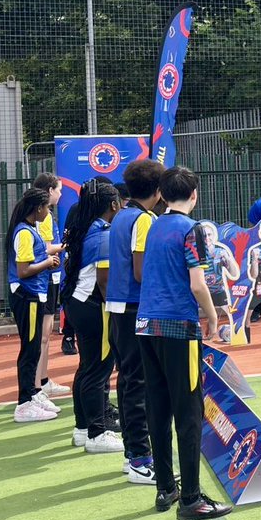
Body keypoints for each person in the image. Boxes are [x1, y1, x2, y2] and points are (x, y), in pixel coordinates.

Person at [137, 166, 232, 520]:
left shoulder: (155, 224)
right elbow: (197, 283)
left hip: (147, 326)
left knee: (157, 407)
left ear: (161, 194)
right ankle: (191, 499)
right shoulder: (192, 230)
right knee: (189, 412)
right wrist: (213, 315)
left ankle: (166, 487)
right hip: (178, 326)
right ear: (194, 195)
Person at [107, 158, 165, 483]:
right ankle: (141, 459)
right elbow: (142, 271)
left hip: (118, 308)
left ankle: (134, 455)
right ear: (158, 191)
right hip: (133, 308)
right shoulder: (143, 220)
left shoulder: (121, 216)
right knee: (138, 384)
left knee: (128, 380)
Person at [62, 178, 124, 453]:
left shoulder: (87, 228)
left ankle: (83, 429)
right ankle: (97, 433)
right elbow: (105, 280)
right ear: (113, 204)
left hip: (78, 304)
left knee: (87, 368)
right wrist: (117, 311)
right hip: (93, 307)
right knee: (98, 370)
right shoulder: (104, 234)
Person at [7, 187, 64, 422]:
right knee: (29, 349)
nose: (48, 211)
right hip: (27, 295)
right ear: (37, 208)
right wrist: (47, 262)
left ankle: (32, 394)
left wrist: (45, 261)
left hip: (35, 294)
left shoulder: (30, 230)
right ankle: (24, 403)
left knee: (33, 348)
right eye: (46, 207)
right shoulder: (24, 233)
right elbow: (23, 270)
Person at [32, 173, 69, 400]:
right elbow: (45, 248)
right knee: (42, 336)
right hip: (45, 278)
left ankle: (43, 381)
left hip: (51, 277)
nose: (60, 194)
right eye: (58, 190)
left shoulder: (46, 216)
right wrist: (65, 245)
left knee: (46, 335)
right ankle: (37, 387)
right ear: (49, 191)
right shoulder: (43, 217)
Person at [197, 222, 240, 344]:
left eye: (209, 234)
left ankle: (236, 332)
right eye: (203, 235)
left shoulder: (220, 252)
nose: (207, 238)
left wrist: (228, 260)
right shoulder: (194, 254)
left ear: (214, 236)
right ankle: (200, 336)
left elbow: (234, 272)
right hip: (201, 292)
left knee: (232, 311)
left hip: (219, 291)